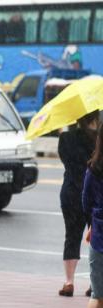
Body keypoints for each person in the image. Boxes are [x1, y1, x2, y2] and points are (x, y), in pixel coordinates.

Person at [58, 110, 99, 297]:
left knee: (72, 235)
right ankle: (94, 283)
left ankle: (69, 281)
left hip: (71, 192)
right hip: (95, 192)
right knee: (97, 237)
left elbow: (66, 160)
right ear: (95, 119)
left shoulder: (65, 139)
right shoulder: (98, 138)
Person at [81, 123, 103, 308]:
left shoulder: (94, 168)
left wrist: (94, 224)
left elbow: (86, 202)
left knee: (98, 295)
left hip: (100, 238)